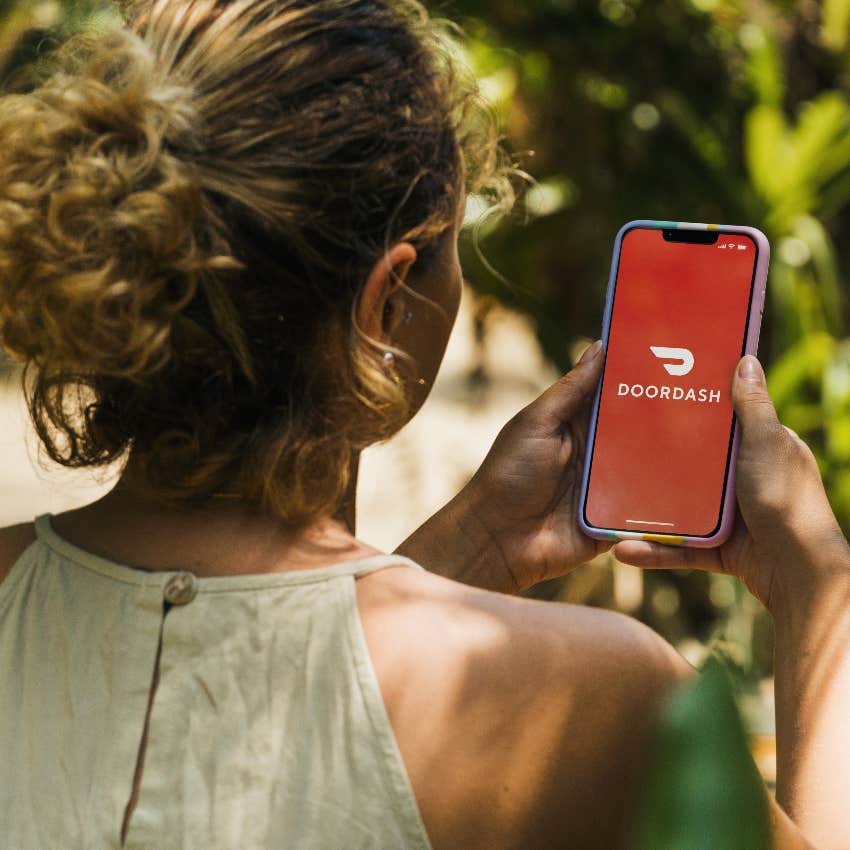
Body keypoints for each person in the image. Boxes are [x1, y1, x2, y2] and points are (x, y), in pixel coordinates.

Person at [0, 1, 847, 848]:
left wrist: (473, 545)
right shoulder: (591, 697)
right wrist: (818, 587)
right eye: (453, 248)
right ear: (387, 300)